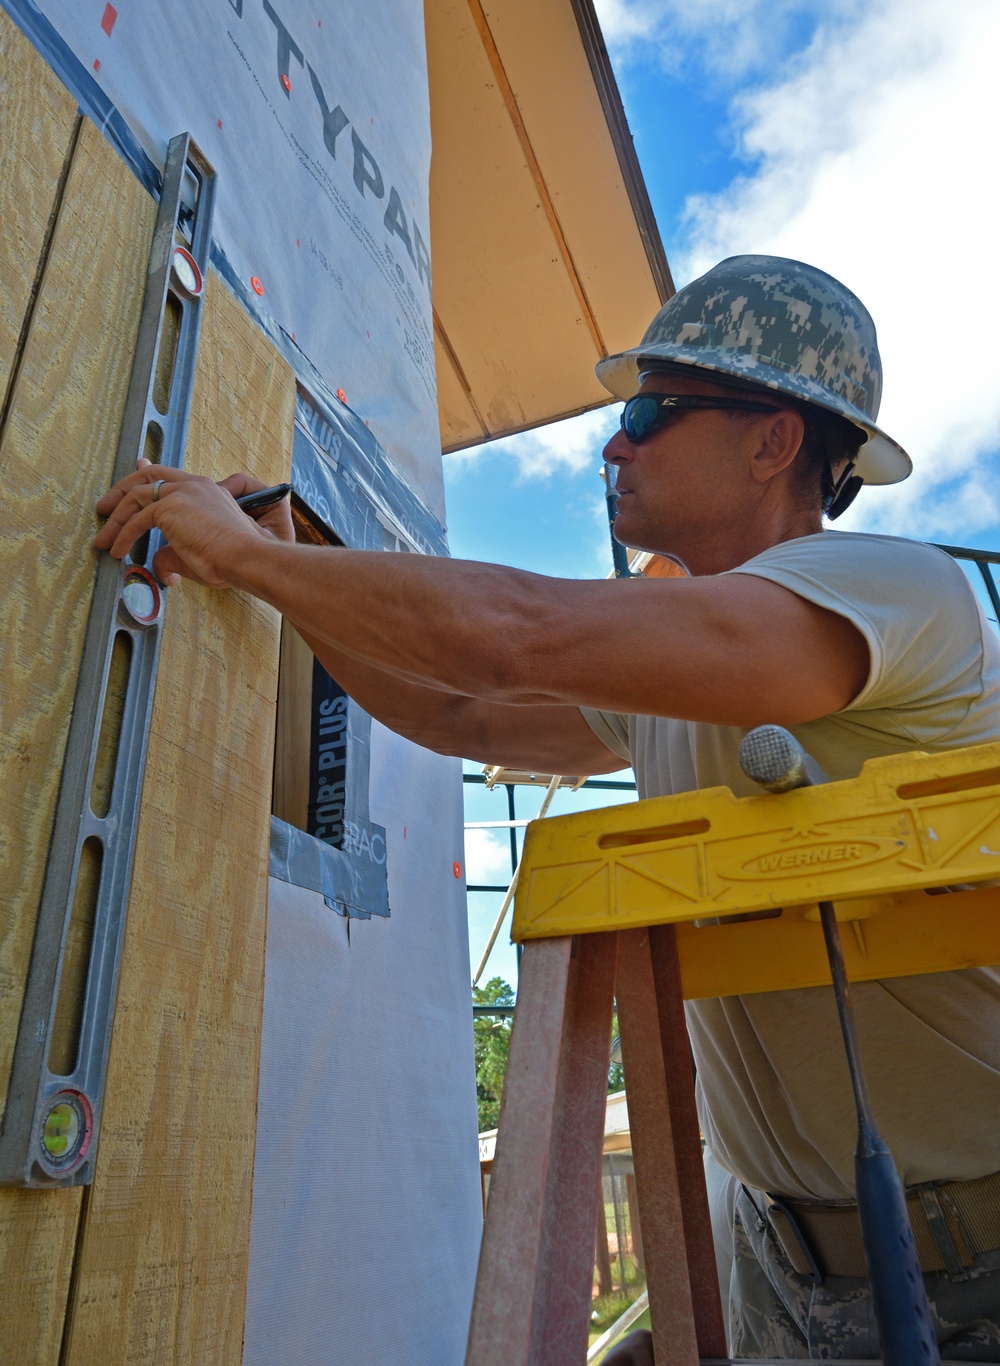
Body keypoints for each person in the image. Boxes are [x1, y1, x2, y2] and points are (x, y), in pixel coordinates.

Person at [95, 256, 1000, 1360]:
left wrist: (236, 549)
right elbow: (466, 711)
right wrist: (281, 571)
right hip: (777, 1261)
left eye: (651, 410)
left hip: (973, 1271)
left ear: (772, 442)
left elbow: (516, 631)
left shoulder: (895, 591)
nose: (613, 444)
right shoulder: (675, 669)